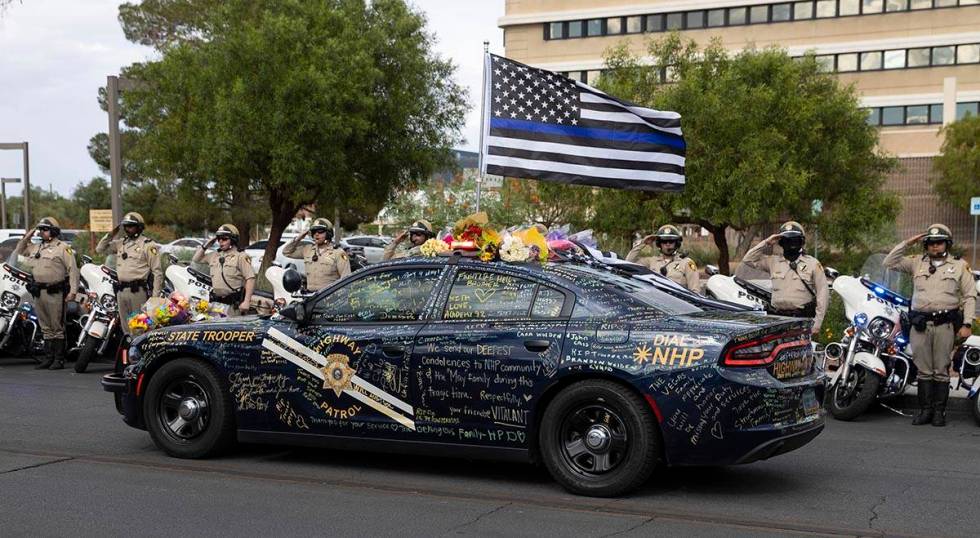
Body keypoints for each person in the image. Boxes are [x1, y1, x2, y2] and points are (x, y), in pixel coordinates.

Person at [884, 224, 976, 427]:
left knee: (941, 369)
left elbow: (970, 296)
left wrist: (967, 323)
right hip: (920, 325)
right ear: (926, 245)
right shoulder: (917, 263)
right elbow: (889, 262)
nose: (935, 247)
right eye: (931, 243)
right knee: (924, 369)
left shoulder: (959, 265)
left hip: (945, 325)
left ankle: (939, 412)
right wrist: (908, 243)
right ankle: (925, 411)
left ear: (947, 244)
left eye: (939, 243)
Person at [14, 217, 80, 370]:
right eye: (41, 229)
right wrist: (27, 236)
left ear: (53, 231)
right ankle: (48, 358)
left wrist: (73, 291)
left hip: (55, 292)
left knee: (57, 325)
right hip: (38, 292)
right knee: (45, 326)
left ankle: (59, 359)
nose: (42, 232)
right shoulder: (36, 247)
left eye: (45, 229)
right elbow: (19, 250)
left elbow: (73, 271)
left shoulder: (63, 248)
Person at [742, 221, 829, 336]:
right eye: (787, 240)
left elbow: (822, 294)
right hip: (776, 320)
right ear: (781, 243)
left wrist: (817, 324)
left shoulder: (812, 264)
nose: (791, 244)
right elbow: (748, 259)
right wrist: (767, 242)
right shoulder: (772, 262)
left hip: (801, 321)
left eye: (795, 240)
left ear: (801, 242)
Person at [95, 212, 163, 336]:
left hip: (137, 292)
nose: (127, 229)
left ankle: (138, 354)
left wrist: (155, 298)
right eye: (125, 226)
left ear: (139, 227)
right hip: (121, 291)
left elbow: (157, 273)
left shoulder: (148, 245)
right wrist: (111, 233)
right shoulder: (121, 243)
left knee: (139, 328)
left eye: (130, 226)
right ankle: (128, 354)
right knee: (125, 329)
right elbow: (99, 249)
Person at [192, 224, 255, 316]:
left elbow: (250, 278)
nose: (221, 242)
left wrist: (246, 301)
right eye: (219, 239)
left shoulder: (240, 257)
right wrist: (206, 246)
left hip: (233, 305)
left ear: (233, 240)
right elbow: (196, 259)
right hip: (216, 303)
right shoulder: (214, 255)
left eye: (224, 239)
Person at [626, 224, 700, 292]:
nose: (667, 244)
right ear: (659, 244)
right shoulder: (652, 261)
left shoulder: (686, 263)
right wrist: (643, 243)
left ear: (676, 243)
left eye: (671, 241)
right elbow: (628, 263)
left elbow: (695, 291)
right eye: (664, 241)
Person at [282, 218, 350, 291]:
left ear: (328, 233)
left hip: (329, 297)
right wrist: (299, 238)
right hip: (311, 297)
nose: (316, 234)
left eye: (320, 231)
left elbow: (346, 279)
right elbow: (286, 252)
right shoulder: (307, 250)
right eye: (314, 232)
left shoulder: (338, 253)